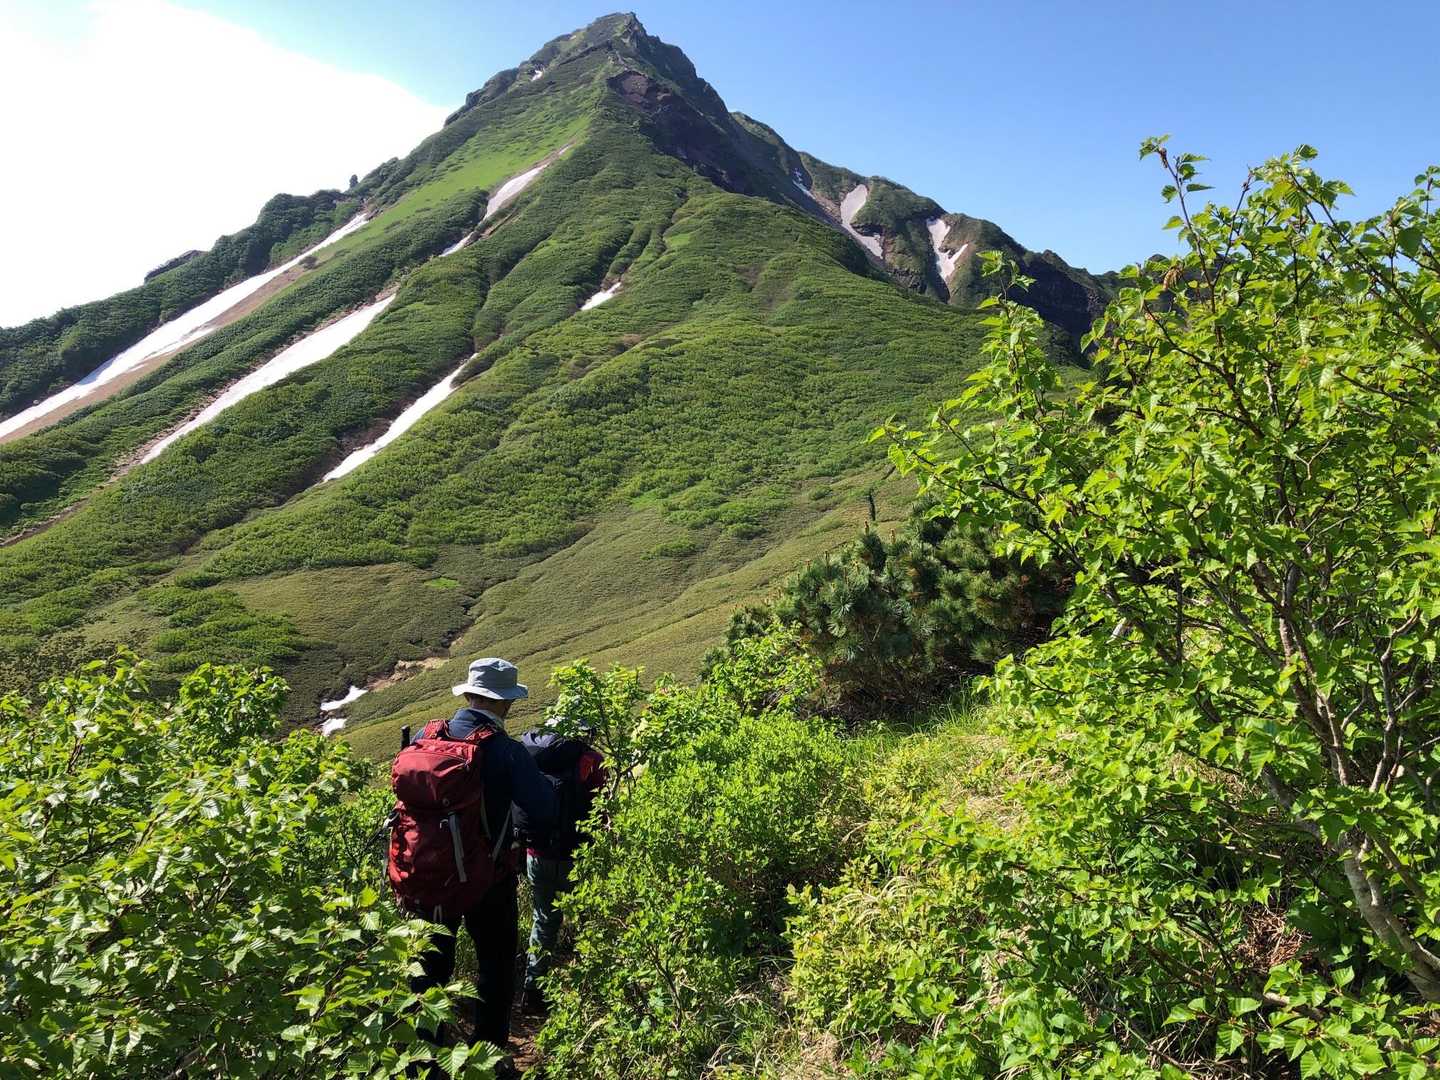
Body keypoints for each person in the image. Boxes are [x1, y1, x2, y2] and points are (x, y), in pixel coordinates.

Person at [391, 657, 558, 1069]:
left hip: (427, 877)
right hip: (488, 880)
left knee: (428, 971)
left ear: (468, 695)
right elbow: (544, 809)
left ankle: (421, 1063)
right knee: (495, 970)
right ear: (505, 702)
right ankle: (487, 1061)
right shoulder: (506, 751)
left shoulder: (425, 738)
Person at [518, 720, 607, 1015]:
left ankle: (533, 991)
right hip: (576, 855)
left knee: (543, 919)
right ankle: (588, 991)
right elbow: (604, 808)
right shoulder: (591, 761)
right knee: (587, 920)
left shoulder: (534, 754)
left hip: (536, 853)